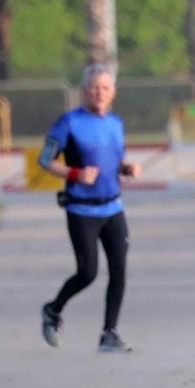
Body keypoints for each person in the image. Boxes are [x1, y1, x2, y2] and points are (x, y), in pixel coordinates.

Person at [37, 63, 141, 352]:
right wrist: (74, 174)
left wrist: (126, 168)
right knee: (88, 273)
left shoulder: (116, 123)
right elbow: (45, 160)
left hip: (113, 208)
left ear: (113, 92)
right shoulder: (69, 123)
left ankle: (109, 333)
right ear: (85, 91)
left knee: (119, 270)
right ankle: (53, 310)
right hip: (82, 210)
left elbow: (110, 162)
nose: (99, 93)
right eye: (94, 88)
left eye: (105, 88)